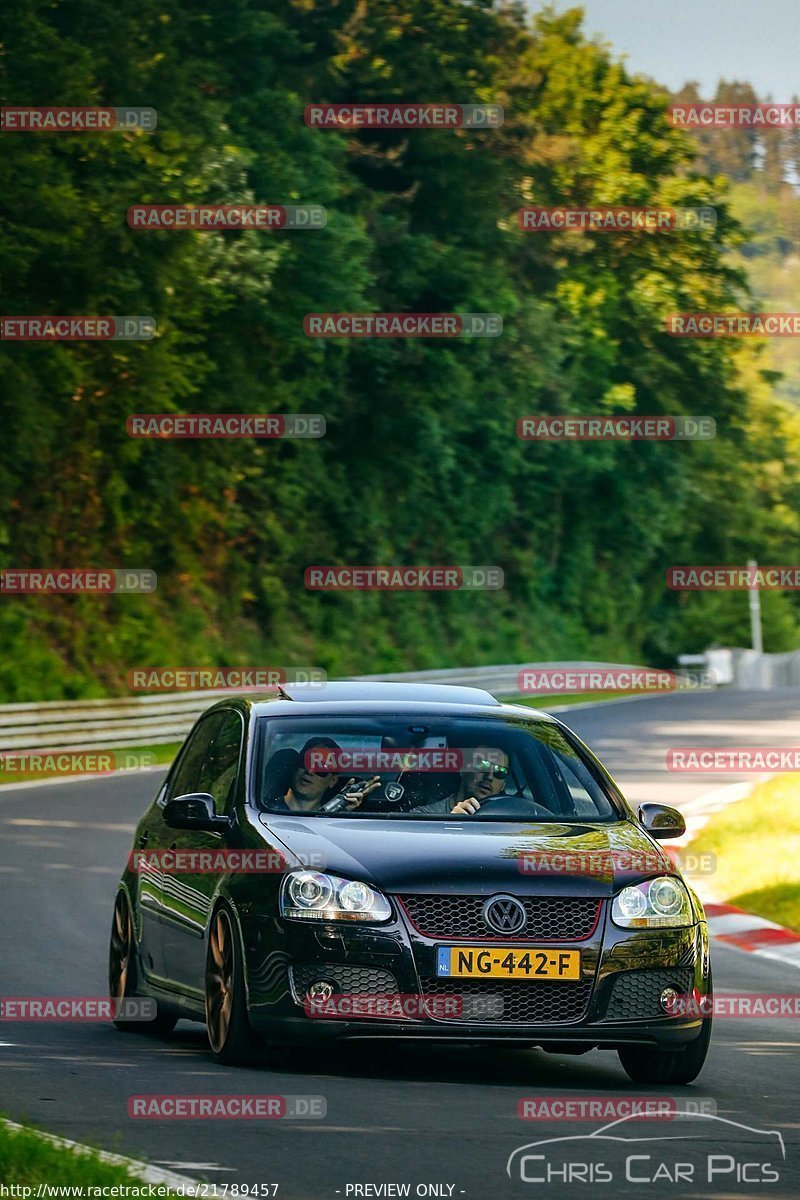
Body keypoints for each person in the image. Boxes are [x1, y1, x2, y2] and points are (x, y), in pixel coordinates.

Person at [271, 737, 381, 813]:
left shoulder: (335, 817)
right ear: (296, 766)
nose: (310, 770)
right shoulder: (262, 809)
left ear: (333, 781)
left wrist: (340, 810)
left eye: (321, 767)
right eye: (306, 762)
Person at [412, 746, 510, 816]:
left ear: (503, 785)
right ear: (463, 769)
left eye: (500, 772)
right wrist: (451, 822)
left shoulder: (513, 820)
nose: (489, 776)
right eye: (483, 766)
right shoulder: (425, 816)